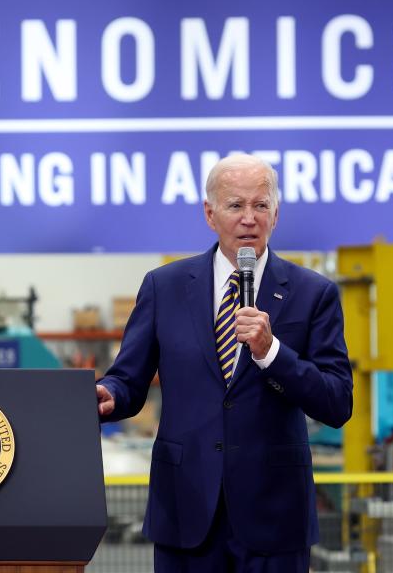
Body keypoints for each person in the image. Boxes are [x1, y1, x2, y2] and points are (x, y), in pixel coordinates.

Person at [95, 153, 354, 572]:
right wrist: (110, 394)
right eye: (235, 205)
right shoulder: (165, 287)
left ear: (276, 213)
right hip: (187, 507)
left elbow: (337, 402)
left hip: (275, 515)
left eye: (261, 205)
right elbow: (129, 379)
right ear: (210, 214)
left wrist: (272, 353)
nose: (249, 218)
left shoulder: (313, 294)